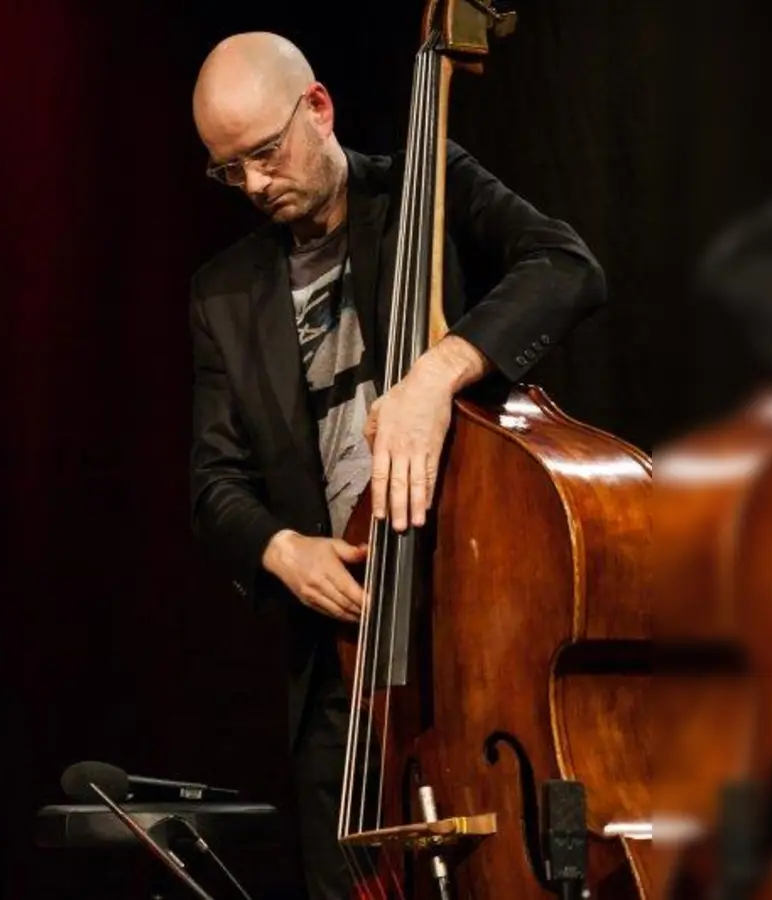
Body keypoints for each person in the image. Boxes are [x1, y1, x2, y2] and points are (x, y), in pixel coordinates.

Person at [185, 34, 604, 898]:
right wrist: (280, 549)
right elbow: (213, 483)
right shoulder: (222, 293)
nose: (254, 185)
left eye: (265, 153)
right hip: (345, 672)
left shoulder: (427, 188)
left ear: (318, 108)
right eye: (230, 171)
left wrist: (440, 371)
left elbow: (566, 267)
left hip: (473, 632)